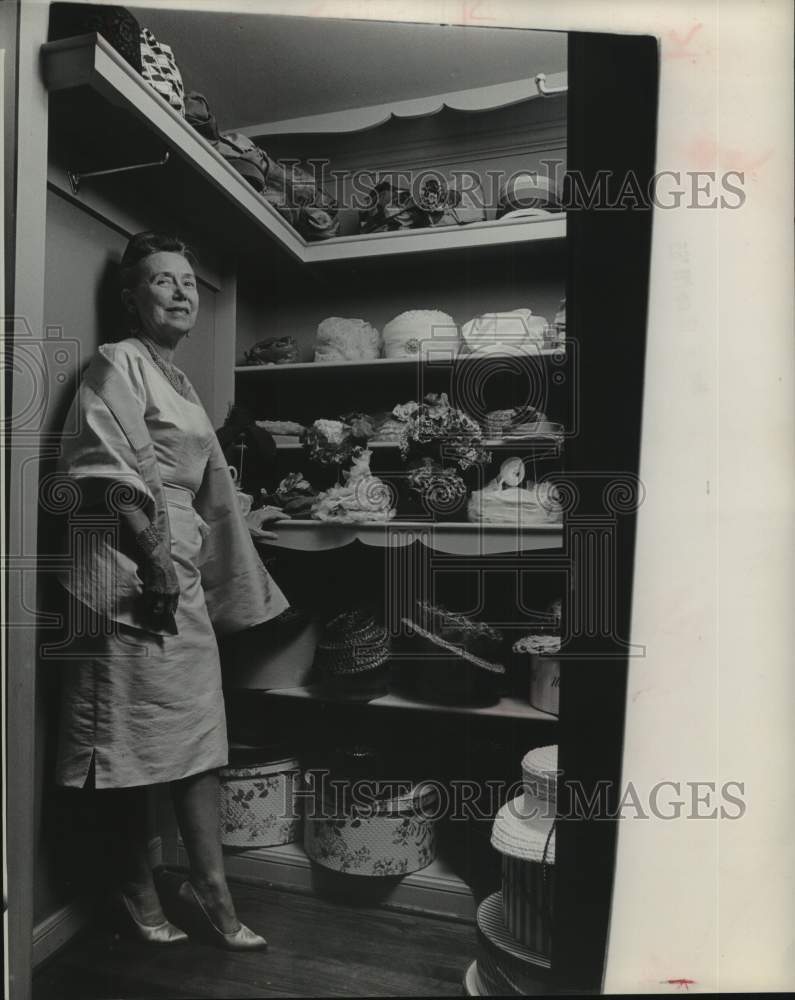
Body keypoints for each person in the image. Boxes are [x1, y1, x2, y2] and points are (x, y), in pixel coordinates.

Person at [53, 232, 287, 949]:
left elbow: (205, 483)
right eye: (163, 281)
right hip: (124, 571)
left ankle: (209, 884)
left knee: (195, 736)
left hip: (175, 564)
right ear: (131, 299)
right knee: (129, 738)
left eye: (188, 280)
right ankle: (135, 881)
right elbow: (98, 465)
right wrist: (153, 555)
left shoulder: (180, 381)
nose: (183, 292)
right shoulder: (117, 361)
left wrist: (245, 520)